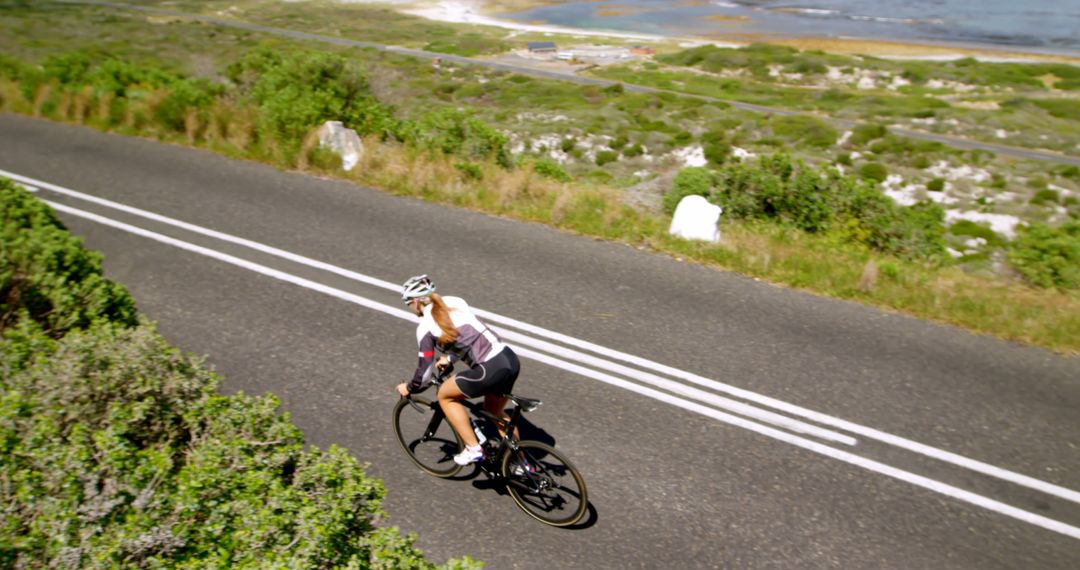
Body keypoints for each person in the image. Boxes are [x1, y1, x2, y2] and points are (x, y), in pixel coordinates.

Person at [395, 275, 521, 465]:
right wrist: (450, 358)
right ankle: (521, 464)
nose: (410, 309)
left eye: (408, 304)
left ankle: (473, 448)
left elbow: (424, 373)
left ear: (414, 302)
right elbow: (467, 336)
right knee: (495, 412)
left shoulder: (425, 328)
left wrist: (410, 388)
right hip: (508, 359)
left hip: (490, 368)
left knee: (445, 395)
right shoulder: (455, 301)